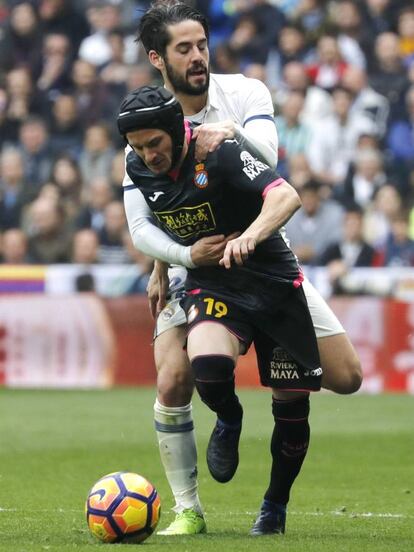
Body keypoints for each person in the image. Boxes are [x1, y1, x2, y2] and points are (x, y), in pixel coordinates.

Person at [124, 0, 362, 536]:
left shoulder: (246, 92)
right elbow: (151, 211)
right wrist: (164, 265)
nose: (198, 56)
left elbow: (271, 165)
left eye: (202, 45)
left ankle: (271, 483)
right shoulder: (145, 128)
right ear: (157, 58)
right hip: (195, 264)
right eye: (184, 49)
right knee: (175, 376)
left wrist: (227, 132)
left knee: (346, 379)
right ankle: (188, 508)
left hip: (263, 253)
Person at [119, 84, 322, 536]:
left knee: (298, 403)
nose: (148, 154)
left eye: (154, 143)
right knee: (207, 364)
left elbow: (285, 195)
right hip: (216, 280)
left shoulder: (218, 150)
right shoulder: (138, 167)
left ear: (174, 130)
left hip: (272, 280)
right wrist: (166, 265)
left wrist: (252, 235)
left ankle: (274, 505)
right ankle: (229, 417)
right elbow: (150, 222)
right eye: (138, 146)